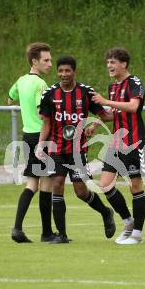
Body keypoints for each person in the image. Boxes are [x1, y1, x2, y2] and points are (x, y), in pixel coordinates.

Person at [36, 55, 116, 244]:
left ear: (74, 72)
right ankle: (62, 235)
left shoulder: (86, 93)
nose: (64, 74)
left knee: (80, 191)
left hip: (78, 150)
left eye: (67, 71)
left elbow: (105, 115)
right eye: (61, 71)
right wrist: (40, 144)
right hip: (56, 148)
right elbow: (46, 123)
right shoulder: (49, 94)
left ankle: (106, 212)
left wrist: (94, 125)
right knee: (57, 184)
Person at [91, 48, 145, 245]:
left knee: (135, 186)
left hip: (133, 141)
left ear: (124, 64)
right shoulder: (113, 87)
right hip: (116, 142)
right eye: (108, 63)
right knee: (105, 184)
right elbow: (113, 113)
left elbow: (133, 107)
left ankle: (137, 235)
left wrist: (105, 101)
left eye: (113, 62)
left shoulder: (134, 83)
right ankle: (128, 222)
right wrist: (96, 123)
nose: (109, 66)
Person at [7, 42, 55, 243]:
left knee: (32, 183)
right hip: (41, 137)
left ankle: (18, 228)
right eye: (46, 60)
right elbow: (41, 113)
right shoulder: (40, 84)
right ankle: (46, 233)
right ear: (34, 61)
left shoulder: (21, 80)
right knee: (46, 184)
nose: (50, 64)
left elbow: (10, 100)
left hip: (27, 135)